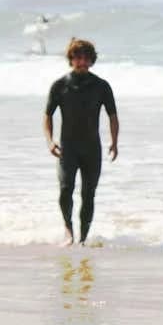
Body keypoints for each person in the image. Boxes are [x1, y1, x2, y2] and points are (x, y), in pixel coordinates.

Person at [43, 38, 119, 246]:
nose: (82, 61)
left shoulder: (101, 86)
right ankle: (68, 230)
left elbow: (112, 115)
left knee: (88, 194)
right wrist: (50, 141)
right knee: (66, 188)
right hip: (68, 149)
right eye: (78, 57)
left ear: (92, 60)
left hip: (92, 149)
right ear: (71, 59)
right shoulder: (60, 86)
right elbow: (47, 115)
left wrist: (114, 141)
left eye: (86, 58)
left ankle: (83, 238)